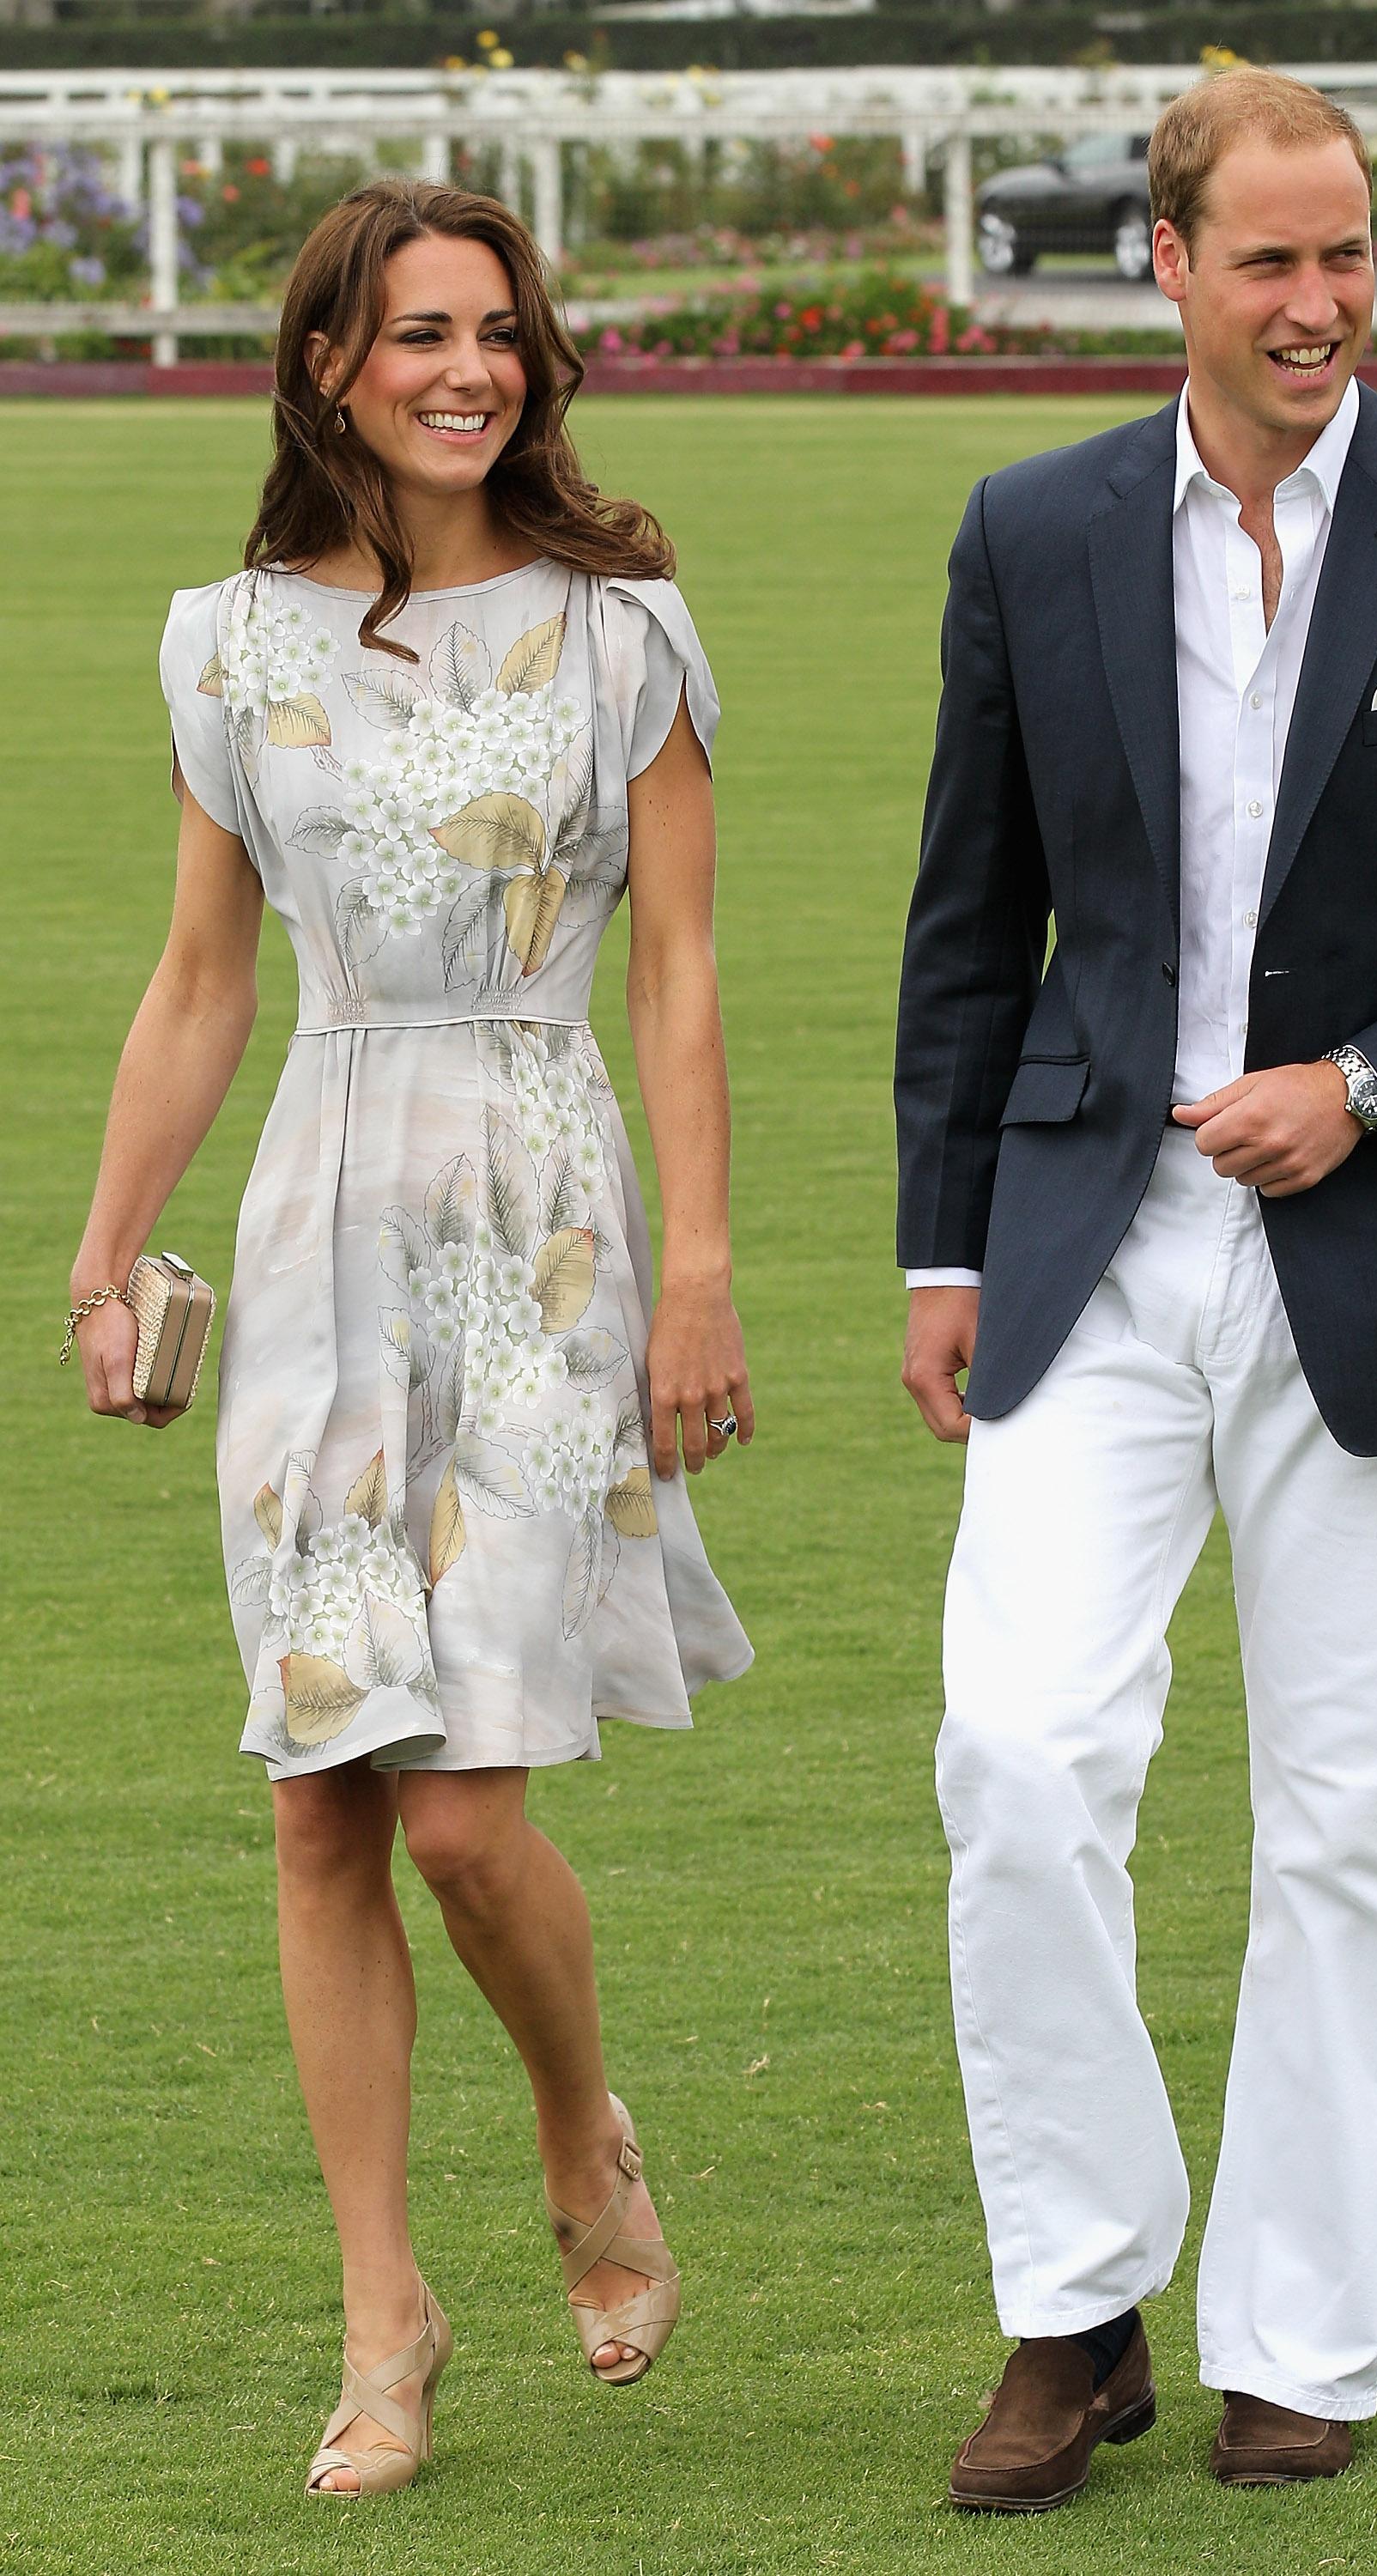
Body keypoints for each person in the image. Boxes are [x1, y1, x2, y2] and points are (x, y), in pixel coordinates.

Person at [895, 70, 1377, 2510]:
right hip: (1084, 1247)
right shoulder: (1027, 532)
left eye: (1349, 255)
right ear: (1165, 266)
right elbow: (964, 922)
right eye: (1271, 260)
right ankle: (1073, 2303)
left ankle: (1299, 2335)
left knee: (1346, 1822)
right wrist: (940, 1241)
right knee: (1020, 1761)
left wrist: (1369, 1081)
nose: (1323, 301)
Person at [64, 179, 754, 2499]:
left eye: (500, 330)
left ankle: (582, 2138)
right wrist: (103, 1246)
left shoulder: (621, 631)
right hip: (314, 1211)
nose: (472, 368)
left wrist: (699, 1273)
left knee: (465, 1818)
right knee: (321, 1789)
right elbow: (196, 983)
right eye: (421, 332)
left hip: (543, 1221)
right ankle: (385, 2310)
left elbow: (671, 972)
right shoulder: (221, 644)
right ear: (331, 365)